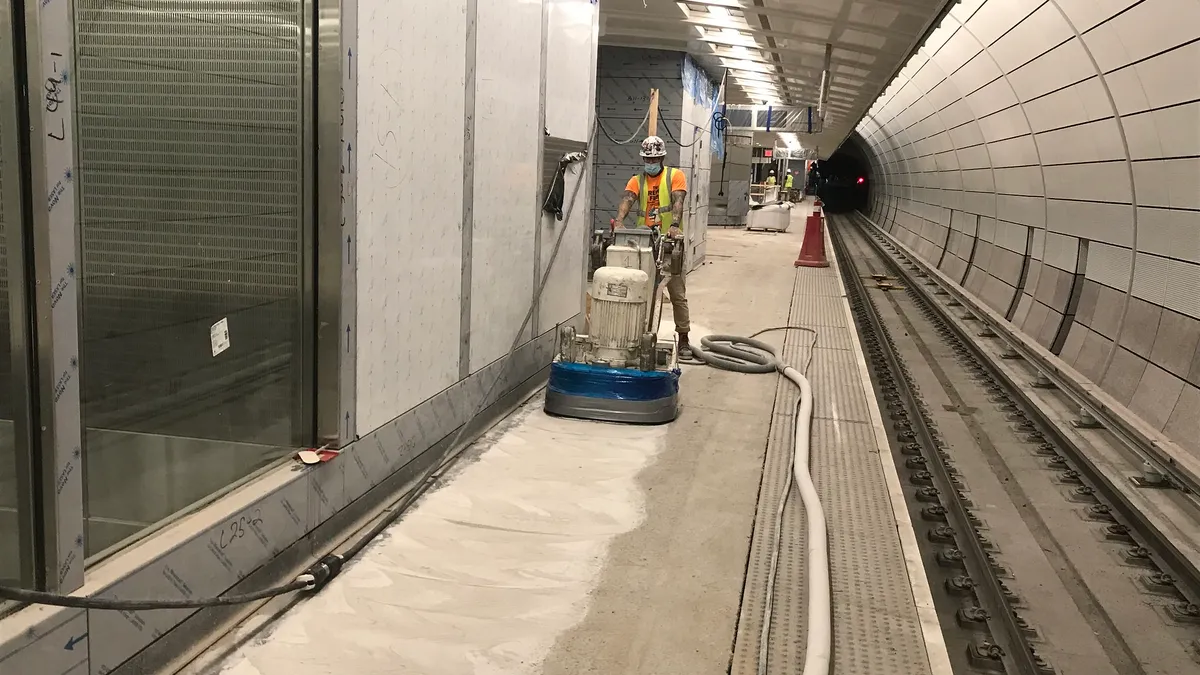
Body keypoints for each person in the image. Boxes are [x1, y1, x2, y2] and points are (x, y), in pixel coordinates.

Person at [613, 135, 692, 358]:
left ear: (662, 157)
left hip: (669, 244)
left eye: (654, 158)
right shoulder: (636, 180)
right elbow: (628, 199)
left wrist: (675, 225)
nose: (650, 163)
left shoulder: (675, 176)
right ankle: (638, 336)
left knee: (677, 293)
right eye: (647, 159)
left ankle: (684, 338)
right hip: (645, 244)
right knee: (641, 291)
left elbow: (678, 201)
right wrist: (619, 222)